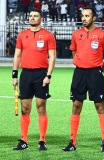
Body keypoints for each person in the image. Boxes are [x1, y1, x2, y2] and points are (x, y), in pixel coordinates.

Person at [62, 7, 104, 152]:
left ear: (94, 18)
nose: (84, 18)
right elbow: (74, 52)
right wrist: (81, 63)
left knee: (100, 106)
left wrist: (99, 72)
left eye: (87, 16)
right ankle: (72, 142)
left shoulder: (102, 35)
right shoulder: (76, 34)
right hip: (79, 73)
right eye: (83, 16)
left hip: (95, 73)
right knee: (76, 106)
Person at [12, 8, 56, 151]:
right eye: (30, 16)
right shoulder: (22, 35)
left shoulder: (48, 36)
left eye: (35, 16)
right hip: (25, 74)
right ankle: (24, 140)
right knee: (25, 109)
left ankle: (42, 141)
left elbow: (52, 57)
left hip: (41, 74)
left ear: (41, 18)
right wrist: (14, 74)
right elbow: (17, 56)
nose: (32, 18)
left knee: (41, 107)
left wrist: (48, 76)